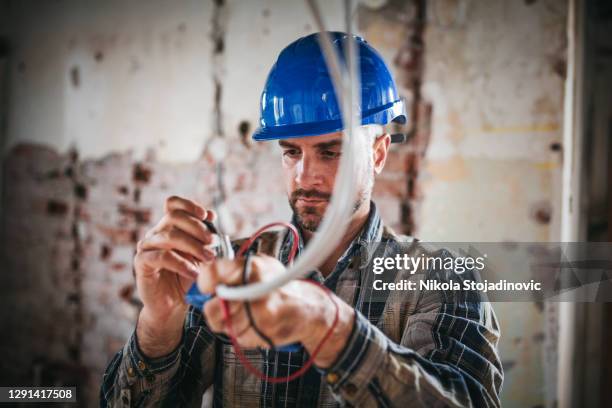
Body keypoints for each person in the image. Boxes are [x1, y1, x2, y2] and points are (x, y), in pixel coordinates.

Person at [101, 32, 503, 407]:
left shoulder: (439, 280)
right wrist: (158, 323)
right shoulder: (232, 274)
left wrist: (327, 326)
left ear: (378, 153)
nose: (304, 176)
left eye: (330, 152)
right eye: (291, 151)